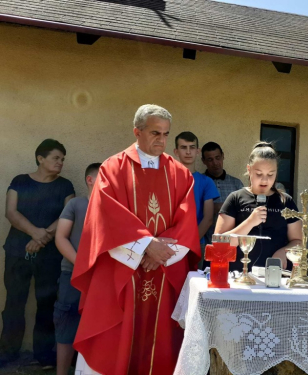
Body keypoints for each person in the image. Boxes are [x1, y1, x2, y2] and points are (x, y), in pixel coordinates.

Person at [72, 104, 200, 375]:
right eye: (155, 133)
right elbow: (105, 216)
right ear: (137, 131)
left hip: (163, 271)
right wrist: (146, 246)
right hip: (123, 270)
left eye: (166, 134)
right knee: (116, 340)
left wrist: (159, 254)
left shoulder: (180, 174)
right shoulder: (112, 168)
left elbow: (186, 222)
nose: (162, 140)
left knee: (162, 342)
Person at [1, 139, 75, 368]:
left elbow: (67, 216)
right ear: (40, 158)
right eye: (55, 158)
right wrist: (35, 233)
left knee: (46, 304)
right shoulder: (20, 181)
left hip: (50, 254)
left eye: (62, 159)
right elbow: (11, 213)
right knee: (14, 302)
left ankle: (43, 355)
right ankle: (7, 353)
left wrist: (42, 238)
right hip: (16, 251)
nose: (60, 162)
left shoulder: (65, 186)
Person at [215, 142, 302, 270]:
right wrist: (250, 222)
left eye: (270, 174)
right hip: (238, 274)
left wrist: (284, 251)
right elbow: (218, 243)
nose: (265, 180)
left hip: (275, 274)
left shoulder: (285, 201)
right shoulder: (235, 198)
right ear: (249, 170)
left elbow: (299, 242)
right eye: (259, 174)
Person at [53, 163, 101, 375]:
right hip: (71, 274)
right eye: (104, 177)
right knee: (66, 324)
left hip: (103, 278)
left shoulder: (116, 207)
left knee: (99, 328)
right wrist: (83, 265)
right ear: (90, 180)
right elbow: (61, 237)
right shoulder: (75, 204)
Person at [174, 132, 219, 268]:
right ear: (176, 151)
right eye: (183, 147)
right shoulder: (168, 179)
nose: (188, 152)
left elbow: (208, 218)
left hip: (196, 242)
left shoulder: (206, 182)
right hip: (170, 241)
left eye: (192, 147)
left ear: (198, 151)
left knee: (193, 283)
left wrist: (189, 242)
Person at [201, 141, 244, 244]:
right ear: (203, 161)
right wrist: (212, 208)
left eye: (218, 158)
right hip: (205, 242)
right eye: (210, 159)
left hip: (231, 242)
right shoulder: (199, 182)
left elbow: (244, 212)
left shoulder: (236, 184)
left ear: (223, 156)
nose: (215, 163)